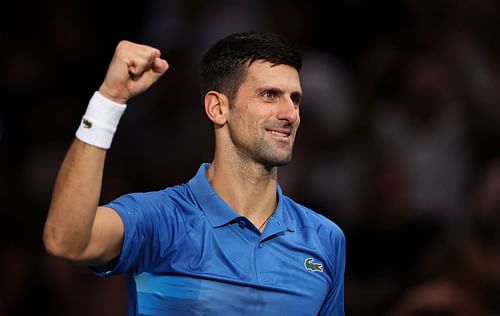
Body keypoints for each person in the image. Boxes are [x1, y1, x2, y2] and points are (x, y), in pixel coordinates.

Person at [43, 32, 346, 315]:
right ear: (217, 108)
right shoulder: (161, 220)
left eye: (295, 99)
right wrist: (109, 100)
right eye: (269, 95)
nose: (290, 114)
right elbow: (66, 241)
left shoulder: (324, 239)